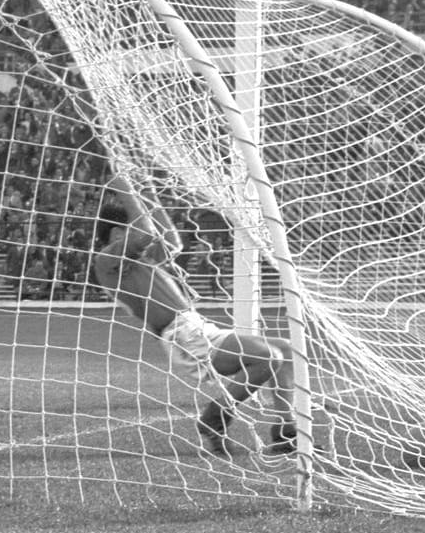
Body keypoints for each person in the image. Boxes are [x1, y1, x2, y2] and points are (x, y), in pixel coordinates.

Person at [89, 176, 298, 458]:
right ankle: (216, 416)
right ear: (116, 235)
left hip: (195, 326)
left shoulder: (137, 259)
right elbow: (145, 234)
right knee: (268, 357)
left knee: (285, 349)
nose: (137, 228)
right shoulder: (107, 261)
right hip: (181, 335)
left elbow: (172, 242)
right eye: (129, 226)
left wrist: (149, 193)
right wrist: (125, 189)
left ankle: (286, 432)